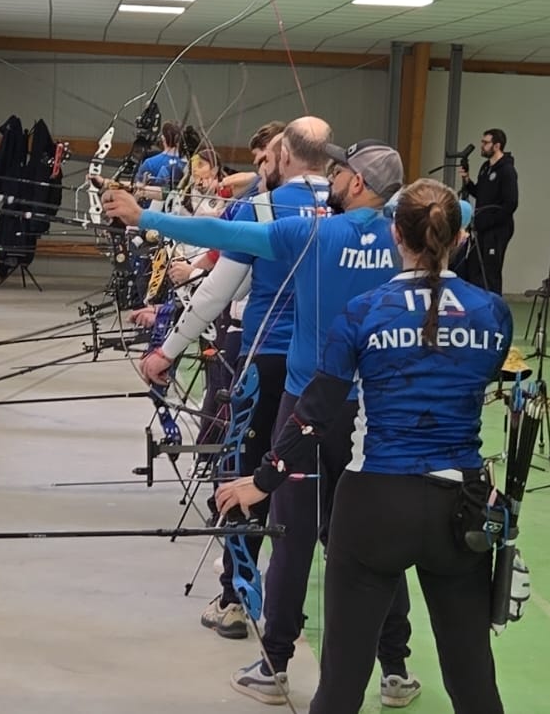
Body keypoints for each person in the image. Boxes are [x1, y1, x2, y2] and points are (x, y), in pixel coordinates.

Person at [102, 136, 420, 708]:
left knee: (293, 535)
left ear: (357, 183)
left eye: (344, 172)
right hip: (372, 413)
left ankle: (275, 665)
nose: (335, 178)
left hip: (305, 408)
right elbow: (456, 211)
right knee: (371, 538)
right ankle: (395, 668)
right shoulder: (403, 234)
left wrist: (142, 214)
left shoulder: (315, 233)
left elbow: (228, 236)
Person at [217, 179, 514, 714]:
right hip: (460, 511)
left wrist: (262, 482)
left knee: (340, 688)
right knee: (474, 684)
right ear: (461, 237)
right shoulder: (493, 314)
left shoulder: (362, 312)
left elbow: (315, 415)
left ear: (395, 235)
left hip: (373, 506)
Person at [139, 124, 323, 642]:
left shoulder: (262, 209)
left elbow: (219, 291)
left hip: (269, 362)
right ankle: (388, 652)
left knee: (249, 475)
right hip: (334, 372)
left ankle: (236, 600)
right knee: (328, 492)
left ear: (284, 154)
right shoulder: (356, 210)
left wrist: (165, 351)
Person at [457, 128, 518, 293]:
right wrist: (468, 181)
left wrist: (488, 220)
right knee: (473, 268)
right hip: (481, 228)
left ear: (497, 146)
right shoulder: (485, 167)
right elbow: (481, 194)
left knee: (490, 272)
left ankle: (494, 307)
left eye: (486, 143)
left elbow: (511, 203)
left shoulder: (507, 170)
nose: (482, 146)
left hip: (497, 230)